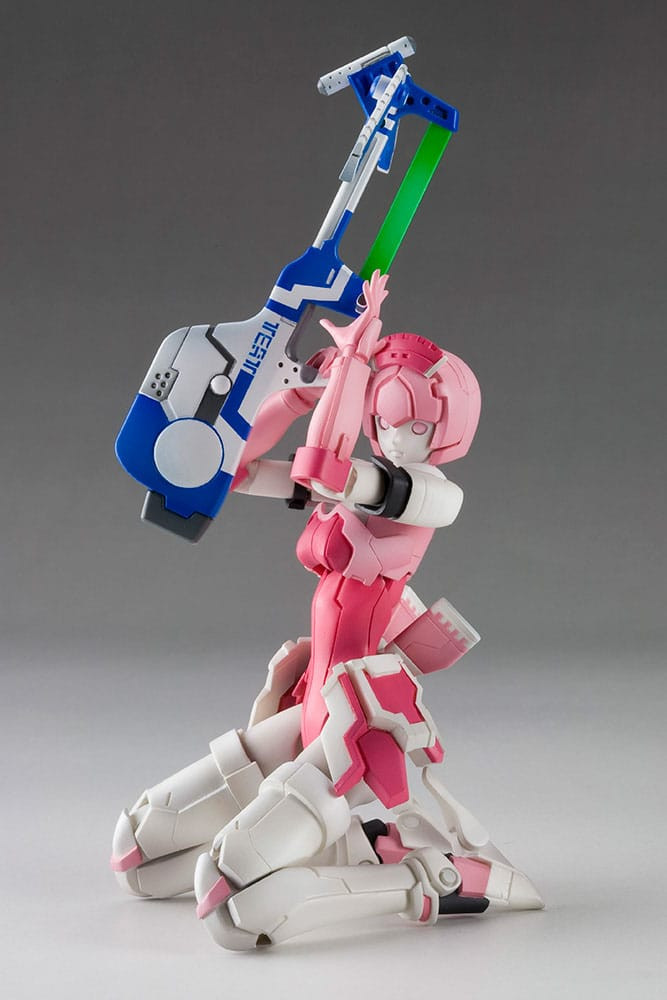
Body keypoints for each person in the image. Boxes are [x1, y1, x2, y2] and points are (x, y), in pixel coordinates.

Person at [111, 272, 542, 949]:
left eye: (416, 425)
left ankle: (421, 878)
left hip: (358, 713)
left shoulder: (429, 495)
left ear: (446, 430)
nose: (397, 437)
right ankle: (359, 844)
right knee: (138, 849)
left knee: (234, 897)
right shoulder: (358, 484)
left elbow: (322, 468)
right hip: (315, 695)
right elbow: (241, 470)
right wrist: (295, 394)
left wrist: (352, 361)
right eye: (386, 420)